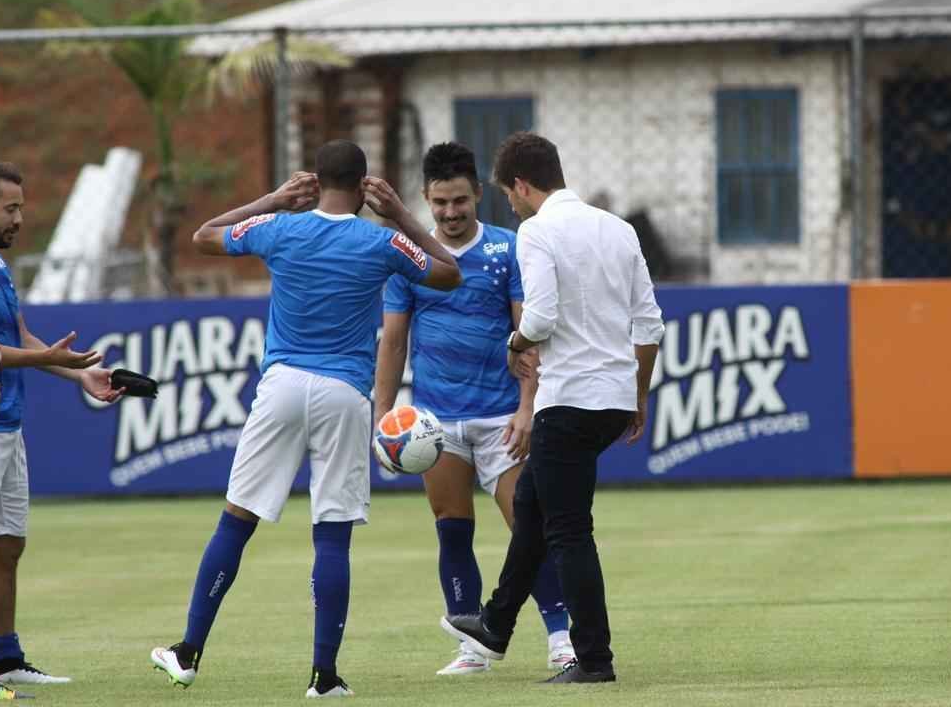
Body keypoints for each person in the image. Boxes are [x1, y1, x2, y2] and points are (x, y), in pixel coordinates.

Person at [149, 140, 461, 699]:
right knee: (332, 535)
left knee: (236, 521)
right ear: (367, 187)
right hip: (345, 392)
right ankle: (324, 676)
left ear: (314, 182)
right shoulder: (383, 239)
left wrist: (272, 199)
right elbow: (448, 272)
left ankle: (189, 650)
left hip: (283, 385)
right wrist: (402, 216)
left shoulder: (280, 229)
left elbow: (204, 236)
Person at [440, 132, 665, 684]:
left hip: (568, 402)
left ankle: (594, 660)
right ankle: (495, 624)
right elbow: (649, 323)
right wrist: (637, 394)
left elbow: (539, 316)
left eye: (508, 195)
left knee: (567, 531)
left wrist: (515, 345)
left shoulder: (536, 231)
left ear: (521, 184)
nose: (510, 206)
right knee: (535, 511)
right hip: (611, 398)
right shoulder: (618, 228)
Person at [374, 142, 573, 676]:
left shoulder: (507, 250)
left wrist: (528, 407)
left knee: (527, 527)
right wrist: (382, 418)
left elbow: (528, 335)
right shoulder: (408, 259)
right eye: (439, 203)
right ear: (425, 198)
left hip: (500, 417)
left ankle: (561, 638)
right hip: (434, 423)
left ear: (479, 194)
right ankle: (472, 645)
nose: (450, 213)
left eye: (460, 200)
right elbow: (393, 343)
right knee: (451, 526)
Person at [0, 162, 122, 688]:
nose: (19, 218)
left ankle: (5, 657)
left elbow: (20, 337)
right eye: (10, 208)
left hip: (8, 424)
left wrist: (78, 374)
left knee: (7, 544)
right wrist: (45, 361)